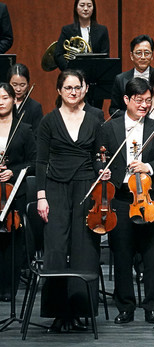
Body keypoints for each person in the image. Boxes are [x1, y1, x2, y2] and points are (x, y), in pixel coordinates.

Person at [100, 78, 154, 325]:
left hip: (150, 198)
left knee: (153, 255)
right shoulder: (110, 128)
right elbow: (98, 157)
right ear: (126, 100)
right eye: (139, 101)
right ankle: (125, 307)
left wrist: (149, 166)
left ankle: (152, 307)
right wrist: (102, 170)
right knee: (121, 254)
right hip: (121, 198)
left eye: (147, 101)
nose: (144, 105)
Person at [36, 70, 105, 333]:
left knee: (85, 247)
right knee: (55, 246)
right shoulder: (48, 121)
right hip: (54, 187)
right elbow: (41, 161)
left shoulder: (95, 119)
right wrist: (41, 196)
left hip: (86, 187)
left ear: (85, 89)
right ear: (59, 90)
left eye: (77, 87)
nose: (73, 92)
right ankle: (57, 312)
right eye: (68, 87)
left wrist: (102, 168)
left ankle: (80, 311)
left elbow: (99, 155)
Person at [0, 82, 35, 302]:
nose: (0, 101)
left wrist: (12, 172)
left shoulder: (24, 129)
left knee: (12, 241)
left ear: (14, 100)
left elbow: (34, 162)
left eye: (5, 97)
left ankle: (8, 288)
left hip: (15, 192)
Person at [53, 0, 110, 71]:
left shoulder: (102, 30)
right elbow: (58, 54)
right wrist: (70, 71)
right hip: (73, 74)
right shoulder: (67, 30)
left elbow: (105, 56)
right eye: (82, 5)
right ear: (76, 8)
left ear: (93, 9)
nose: (86, 8)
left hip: (95, 73)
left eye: (89, 5)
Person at [110, 35, 154, 116]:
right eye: (138, 53)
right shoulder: (120, 79)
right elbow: (113, 110)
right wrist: (131, 116)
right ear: (131, 56)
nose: (143, 57)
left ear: (152, 56)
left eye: (147, 53)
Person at [8, 63, 43, 135]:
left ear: (28, 85)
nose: (18, 89)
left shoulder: (35, 107)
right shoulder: (2, 104)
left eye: (22, 85)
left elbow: (37, 135)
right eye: (14, 85)